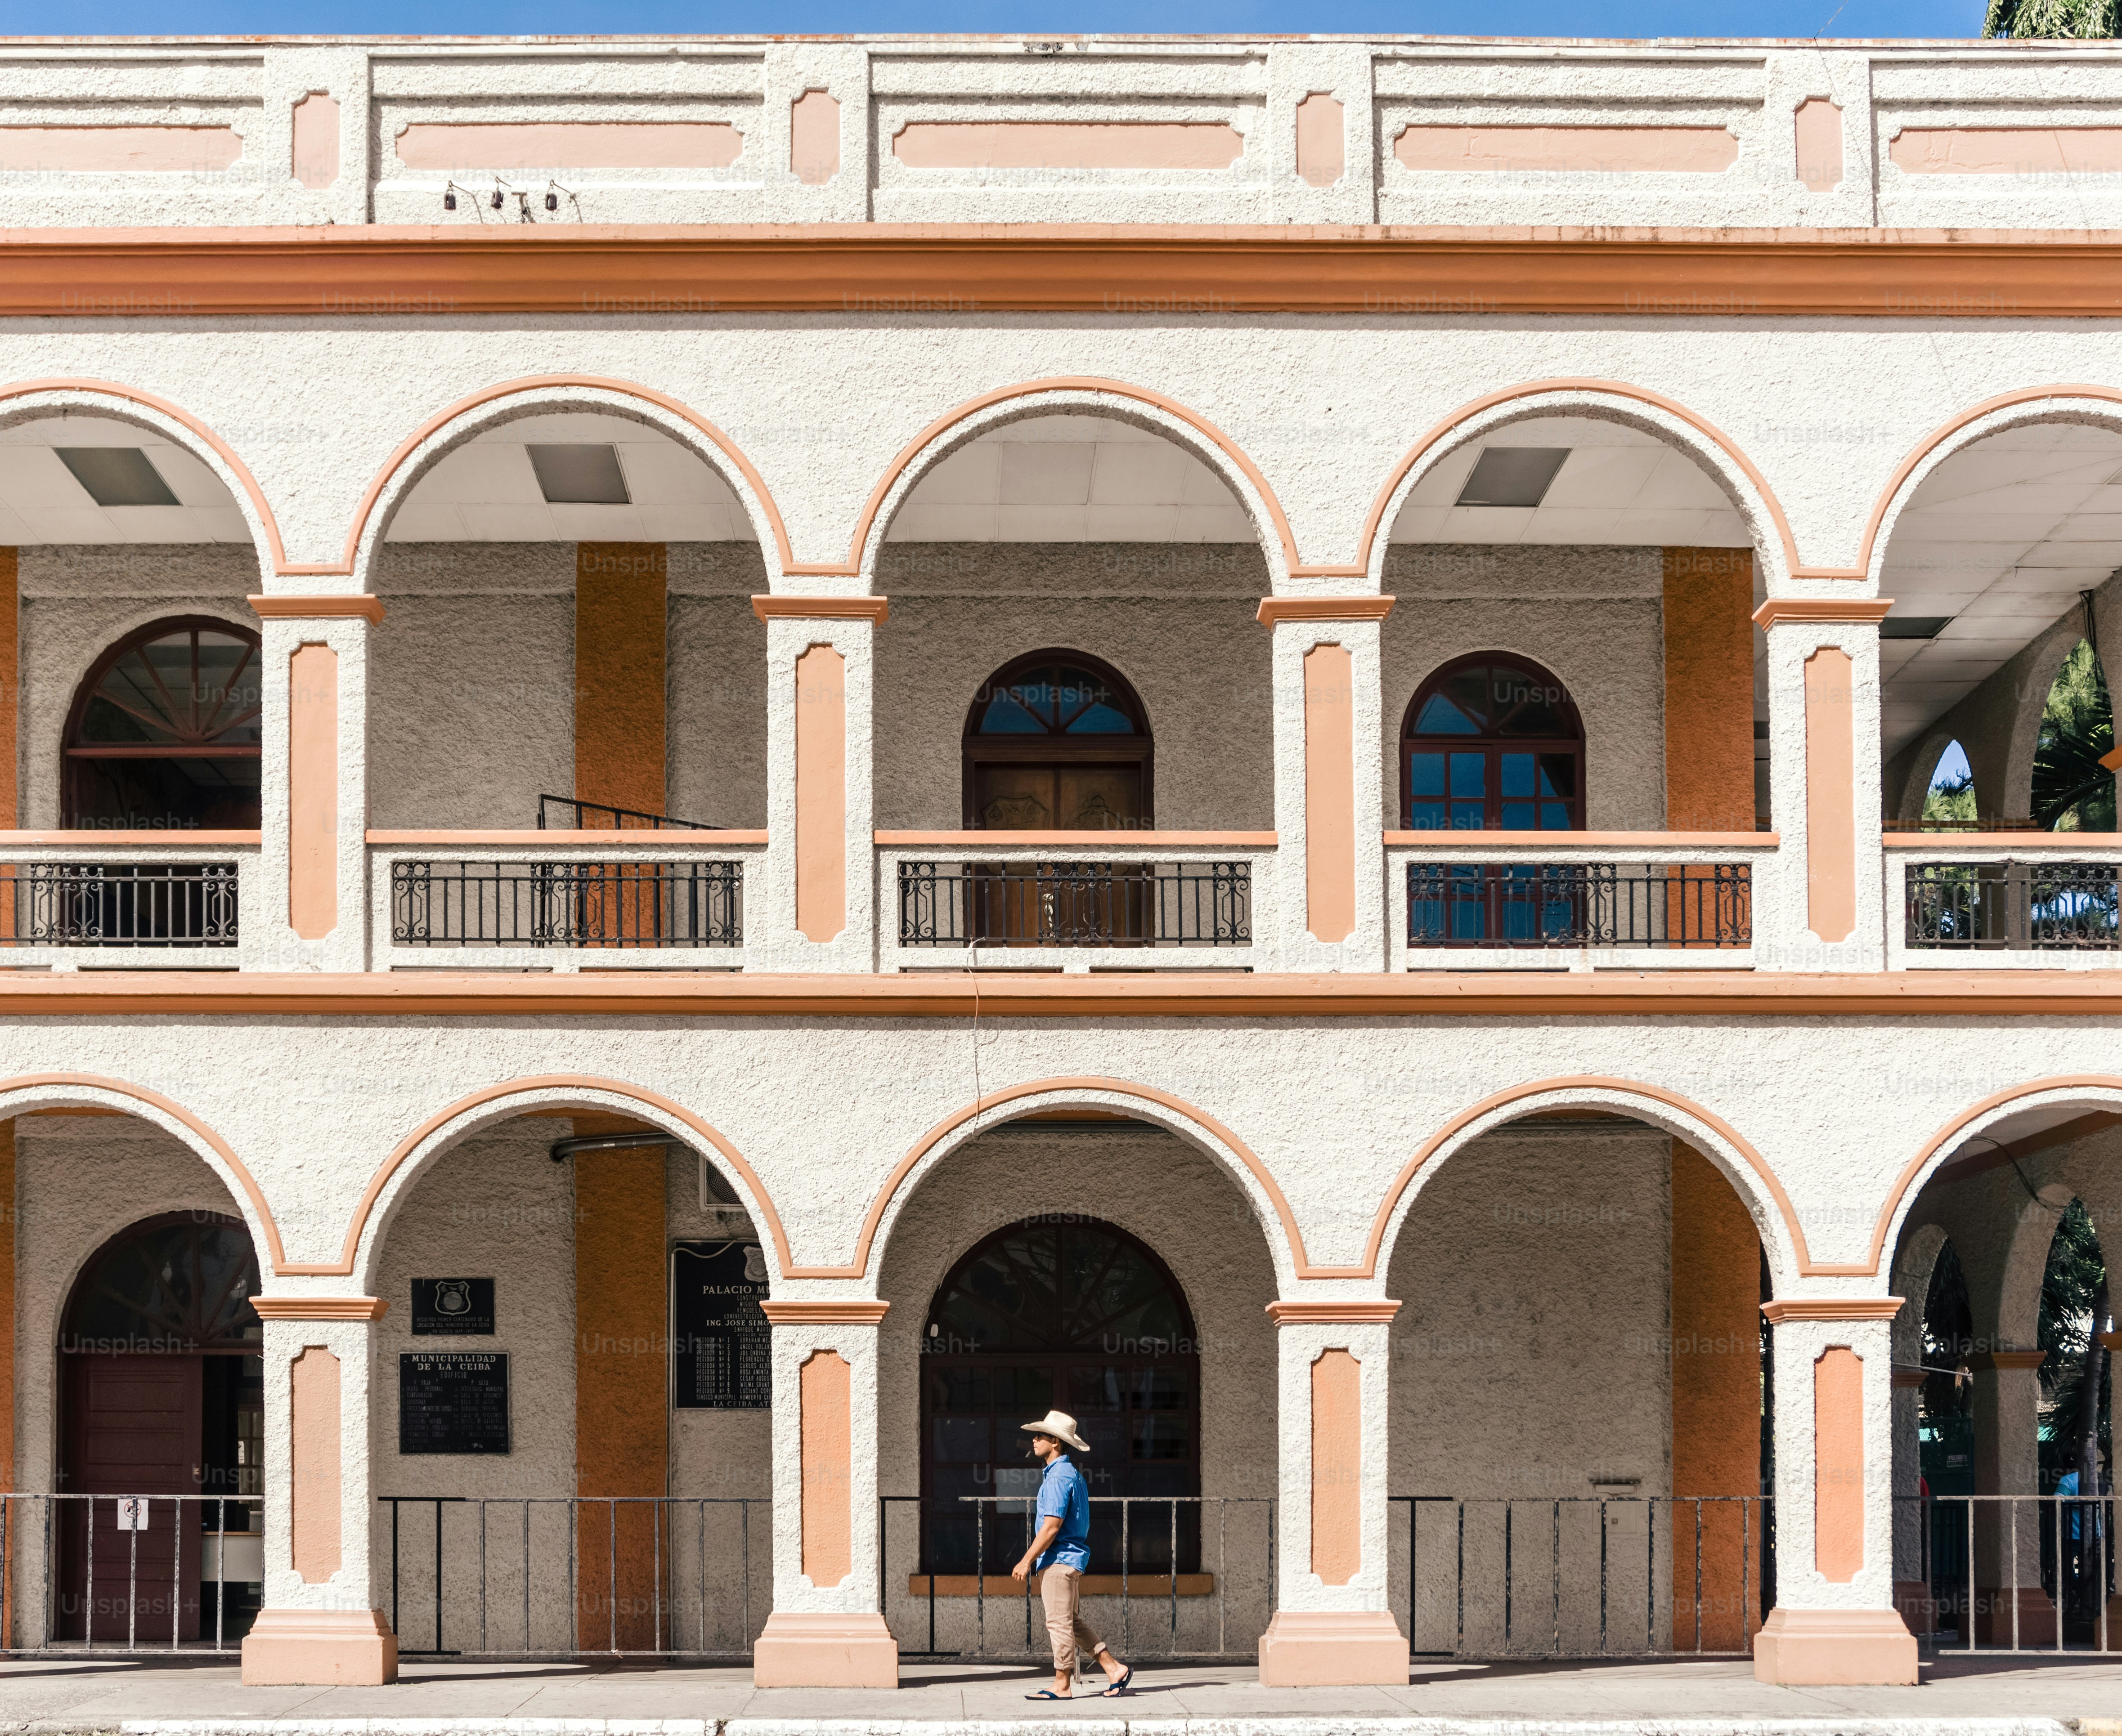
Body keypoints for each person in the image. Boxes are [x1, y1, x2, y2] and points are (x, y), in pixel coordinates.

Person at [1009, 1409, 1132, 1700]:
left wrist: (1026, 1560)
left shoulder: (1058, 1477)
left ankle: (1062, 1684)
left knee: (1058, 1623)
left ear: (1055, 1442)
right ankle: (1114, 1669)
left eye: (1040, 1436)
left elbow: (1051, 1527)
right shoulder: (1069, 1474)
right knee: (1071, 1622)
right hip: (1069, 1559)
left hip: (1058, 1560)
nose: (1034, 1440)